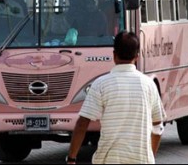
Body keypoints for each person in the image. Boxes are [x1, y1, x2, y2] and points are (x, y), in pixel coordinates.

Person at [67, 31, 166, 164]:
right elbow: (157, 127)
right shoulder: (149, 85)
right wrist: (150, 156)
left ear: (114, 55)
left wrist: (72, 158)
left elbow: (82, 123)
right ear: (137, 56)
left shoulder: (101, 84)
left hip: (109, 160)